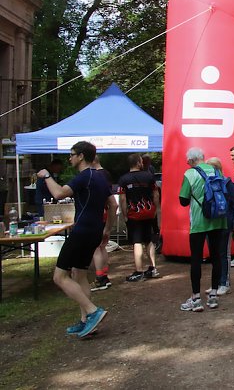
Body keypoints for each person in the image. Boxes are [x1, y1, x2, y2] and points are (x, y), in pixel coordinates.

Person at [37, 141, 110, 338]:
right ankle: (86, 321)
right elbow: (112, 204)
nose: (70, 158)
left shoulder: (84, 177)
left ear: (81, 156)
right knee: (80, 274)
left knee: (59, 277)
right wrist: (107, 228)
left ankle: (93, 311)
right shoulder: (102, 177)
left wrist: (46, 176)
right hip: (94, 230)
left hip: (82, 231)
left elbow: (59, 193)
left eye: (72, 154)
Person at [178, 147, 226, 311]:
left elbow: (183, 200)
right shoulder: (216, 171)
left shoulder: (190, 173)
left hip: (199, 222)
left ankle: (196, 298)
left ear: (191, 160)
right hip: (218, 219)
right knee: (216, 257)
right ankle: (213, 296)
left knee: (196, 259)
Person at [117, 153, 160, 282]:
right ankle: (153, 268)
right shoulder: (149, 177)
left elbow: (122, 199)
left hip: (134, 214)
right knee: (148, 240)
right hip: (148, 212)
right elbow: (156, 194)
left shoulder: (123, 179)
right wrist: (156, 209)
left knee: (137, 242)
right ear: (138, 163)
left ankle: (139, 271)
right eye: (141, 161)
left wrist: (124, 215)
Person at [207, 157, 234, 295]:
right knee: (215, 254)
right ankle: (216, 284)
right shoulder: (208, 184)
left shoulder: (228, 184)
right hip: (211, 224)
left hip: (225, 224)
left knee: (223, 254)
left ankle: (224, 283)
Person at [90, 156, 118, 291]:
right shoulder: (106, 173)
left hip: (99, 213)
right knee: (102, 246)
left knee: (96, 248)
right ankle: (104, 276)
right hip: (105, 212)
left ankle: (100, 278)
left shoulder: (96, 175)